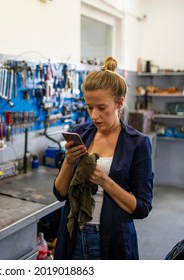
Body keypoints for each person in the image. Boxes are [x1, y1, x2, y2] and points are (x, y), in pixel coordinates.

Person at [53, 56, 154, 260]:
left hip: (112, 239)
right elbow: (60, 193)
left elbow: (142, 207)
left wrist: (105, 181)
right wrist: (69, 161)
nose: (94, 115)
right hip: (74, 236)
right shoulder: (81, 133)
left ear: (119, 103)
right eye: (89, 107)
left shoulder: (137, 144)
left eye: (101, 108)